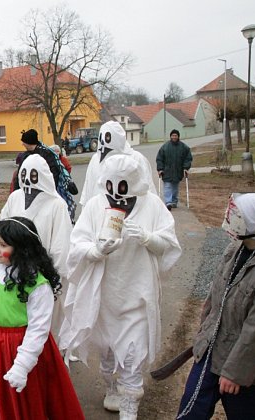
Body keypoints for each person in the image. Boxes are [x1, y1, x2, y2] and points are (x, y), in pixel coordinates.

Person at [59, 154, 181, 420]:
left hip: (137, 295)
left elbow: (170, 244)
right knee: (107, 354)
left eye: (123, 186)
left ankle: (129, 407)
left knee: (132, 355)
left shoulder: (152, 205)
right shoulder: (95, 205)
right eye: (112, 186)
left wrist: (150, 239)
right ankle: (111, 386)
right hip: (103, 296)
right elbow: (77, 244)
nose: (117, 195)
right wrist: (95, 250)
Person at [0, 217, 84, 420]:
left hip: (21, 347)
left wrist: (22, 366)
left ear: (22, 248)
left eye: (4, 245)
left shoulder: (36, 284)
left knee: (22, 399)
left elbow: (38, 328)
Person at [177, 193, 255, 420]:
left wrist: (236, 373)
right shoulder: (235, 249)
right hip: (211, 351)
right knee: (190, 412)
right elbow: (214, 297)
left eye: (238, 215)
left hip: (244, 367)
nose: (231, 217)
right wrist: (202, 336)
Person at [0, 154, 73, 333]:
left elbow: (61, 246)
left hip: (42, 275)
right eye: (25, 174)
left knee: (43, 324)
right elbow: (1, 227)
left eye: (34, 175)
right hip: (12, 269)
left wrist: (54, 276)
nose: (29, 180)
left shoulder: (57, 205)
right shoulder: (15, 197)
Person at [80, 121, 156, 207]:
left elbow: (148, 188)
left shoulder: (136, 159)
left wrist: (153, 209)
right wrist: (86, 211)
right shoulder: (95, 160)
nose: (104, 141)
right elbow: (89, 187)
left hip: (131, 211)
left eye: (108, 136)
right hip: (100, 211)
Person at [13, 129, 77, 224]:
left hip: (45, 193)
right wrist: (18, 190)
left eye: (24, 142)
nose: (23, 144)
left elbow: (54, 173)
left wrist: (50, 191)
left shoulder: (46, 154)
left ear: (29, 142)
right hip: (28, 193)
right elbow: (20, 175)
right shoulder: (25, 156)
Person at [156, 129, 193, 211]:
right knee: (168, 186)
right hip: (167, 171)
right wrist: (160, 169)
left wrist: (186, 167)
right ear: (170, 136)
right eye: (173, 135)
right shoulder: (165, 147)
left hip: (177, 171)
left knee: (175, 188)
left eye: (175, 135)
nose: (174, 137)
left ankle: (174, 201)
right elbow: (159, 158)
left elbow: (188, 158)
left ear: (178, 136)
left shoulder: (183, 147)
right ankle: (168, 202)